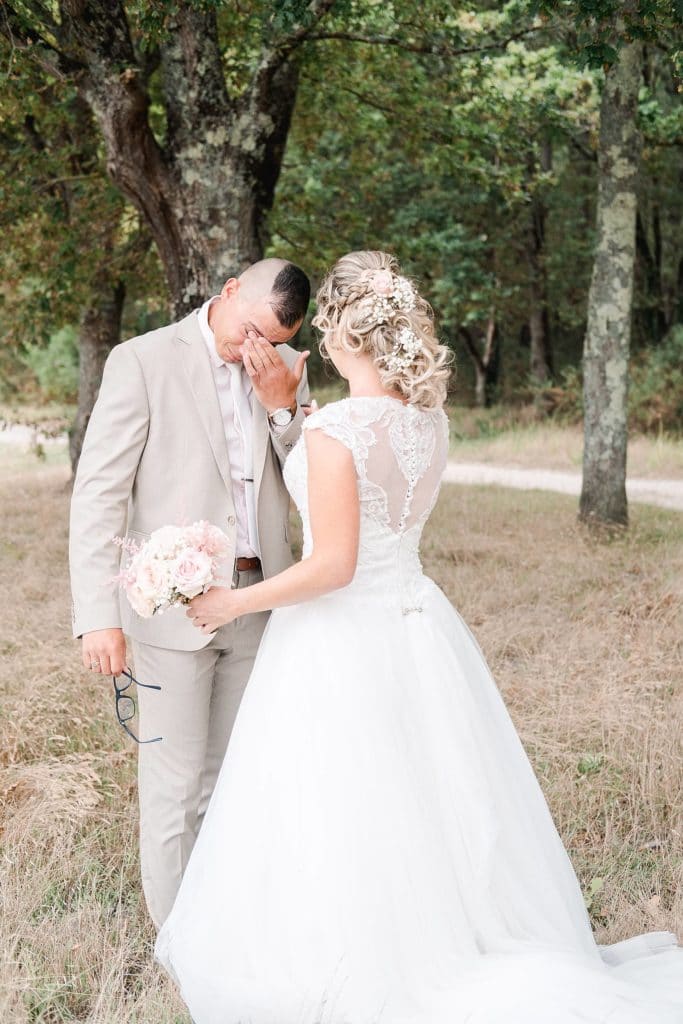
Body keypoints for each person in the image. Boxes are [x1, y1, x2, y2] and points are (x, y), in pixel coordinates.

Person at [155, 251, 683, 1022]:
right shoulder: (426, 423)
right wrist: (288, 413)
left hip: (338, 637)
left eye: (327, 328)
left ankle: (354, 959)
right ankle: (448, 934)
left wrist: (233, 605)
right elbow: (373, 523)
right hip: (414, 622)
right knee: (426, 794)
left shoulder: (337, 427)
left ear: (343, 335)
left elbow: (332, 565)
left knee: (337, 799)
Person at [69, 258, 311, 929]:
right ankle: (180, 946)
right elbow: (99, 494)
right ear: (229, 291)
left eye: (273, 340)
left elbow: (311, 480)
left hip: (260, 601)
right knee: (173, 790)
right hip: (170, 606)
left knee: (232, 780)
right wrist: (97, 617)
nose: (253, 349)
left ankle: (226, 927)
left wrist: (282, 407)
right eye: (249, 331)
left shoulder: (283, 368)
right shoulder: (141, 360)